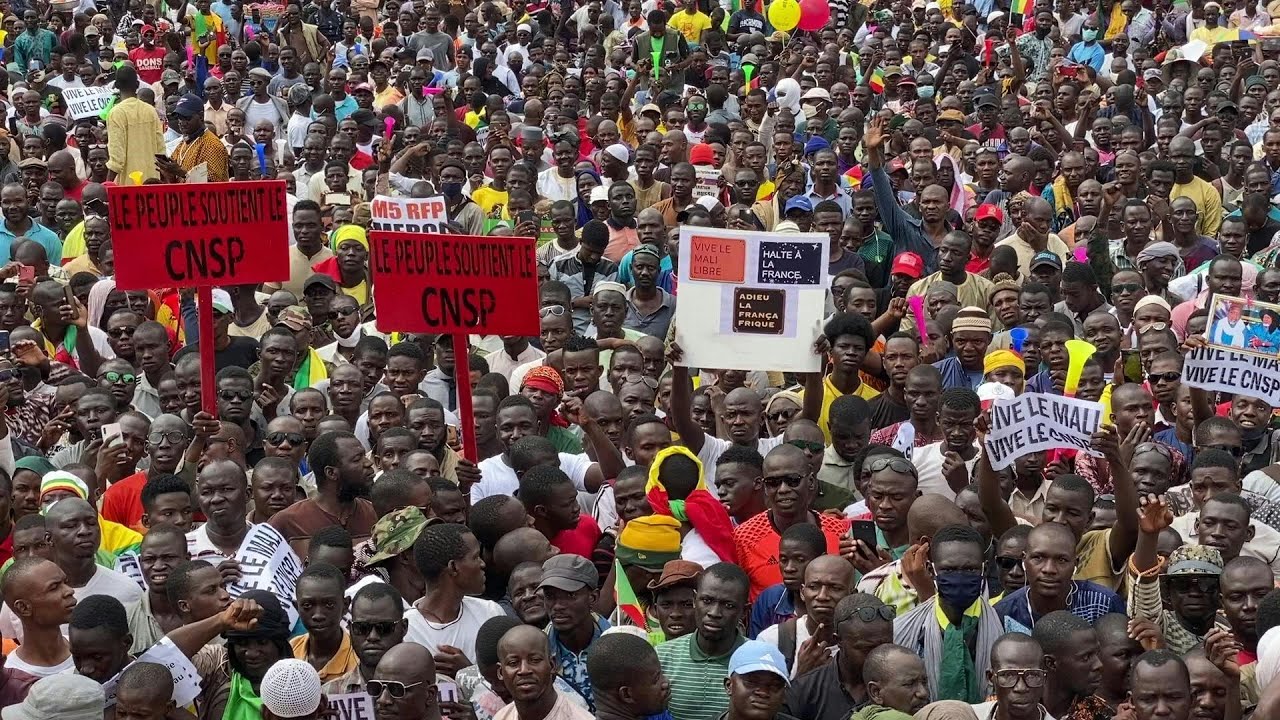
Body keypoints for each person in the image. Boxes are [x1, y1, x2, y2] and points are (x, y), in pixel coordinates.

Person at [656, 563, 750, 720]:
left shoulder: (756, 662)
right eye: (707, 601)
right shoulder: (662, 657)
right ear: (694, 600)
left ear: (744, 611)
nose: (714, 613)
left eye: (728, 605)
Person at [494, 625, 595, 720]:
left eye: (535, 660)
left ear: (552, 665)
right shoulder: (501, 717)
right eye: (513, 663)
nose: (524, 670)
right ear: (501, 672)